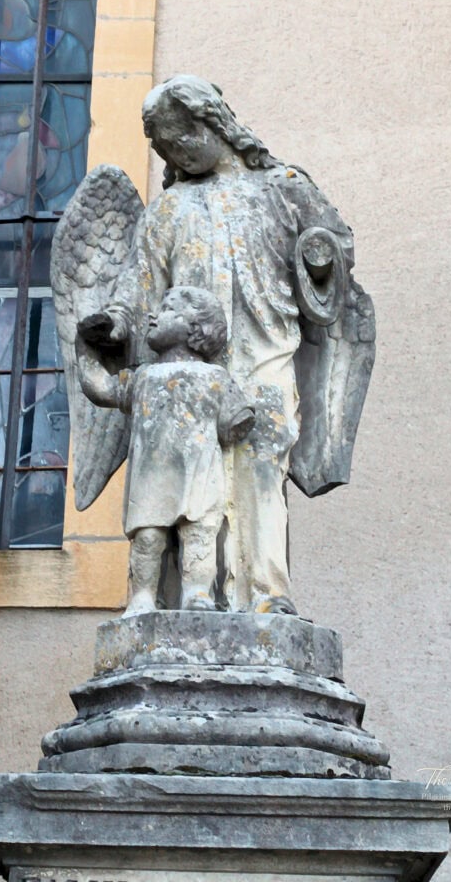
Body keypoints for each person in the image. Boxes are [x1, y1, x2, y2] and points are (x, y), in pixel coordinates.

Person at [92, 75, 356, 614]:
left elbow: (336, 246)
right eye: (167, 150)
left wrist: (319, 258)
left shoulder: (282, 188)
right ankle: (199, 599)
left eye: (183, 139)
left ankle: (266, 595)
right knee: (194, 479)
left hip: (266, 355)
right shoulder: (167, 211)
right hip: (189, 370)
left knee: (261, 463)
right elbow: (139, 290)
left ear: (213, 122)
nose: (178, 155)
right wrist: (115, 325)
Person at [75, 285, 254, 616]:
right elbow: (100, 389)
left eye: (168, 309)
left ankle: (197, 593)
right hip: (152, 475)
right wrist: (84, 348)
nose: (154, 316)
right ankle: (142, 596)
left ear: (195, 328)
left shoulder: (215, 376)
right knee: (148, 538)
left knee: (200, 534)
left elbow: (237, 421)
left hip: (199, 473)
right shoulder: (144, 376)